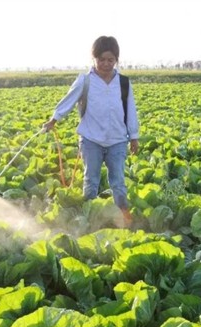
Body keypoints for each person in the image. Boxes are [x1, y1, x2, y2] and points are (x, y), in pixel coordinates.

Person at [43, 35, 139, 228]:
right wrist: (54, 120)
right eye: (101, 59)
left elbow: (130, 110)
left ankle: (125, 218)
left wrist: (134, 137)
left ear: (116, 60)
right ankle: (89, 217)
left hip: (117, 140)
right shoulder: (85, 81)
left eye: (110, 60)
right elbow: (68, 101)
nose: (105, 64)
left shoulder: (123, 83)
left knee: (118, 182)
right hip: (91, 139)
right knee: (91, 180)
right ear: (93, 59)